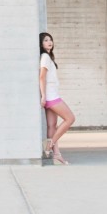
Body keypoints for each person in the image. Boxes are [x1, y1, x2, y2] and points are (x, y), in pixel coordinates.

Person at [39, 32, 75, 165]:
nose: (49, 42)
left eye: (50, 40)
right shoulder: (45, 57)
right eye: (46, 40)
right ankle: (49, 145)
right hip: (51, 96)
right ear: (41, 44)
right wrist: (43, 96)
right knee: (70, 118)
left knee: (52, 126)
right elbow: (41, 77)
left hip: (50, 95)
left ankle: (57, 155)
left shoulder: (48, 57)